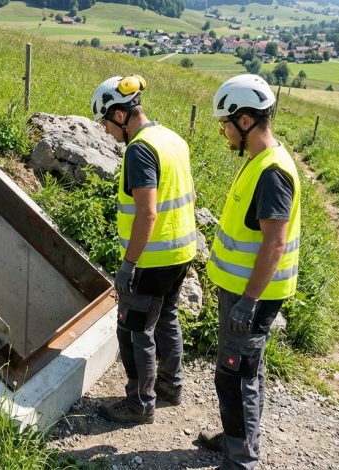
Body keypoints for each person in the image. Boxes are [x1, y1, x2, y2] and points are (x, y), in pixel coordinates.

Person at [198, 74, 301, 470]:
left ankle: (241, 459)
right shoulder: (261, 161)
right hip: (242, 291)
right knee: (242, 371)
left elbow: (274, 243)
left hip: (251, 298)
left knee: (235, 375)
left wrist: (249, 302)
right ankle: (235, 439)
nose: (222, 131)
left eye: (224, 123)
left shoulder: (272, 171)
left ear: (244, 121)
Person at [90, 75, 196, 424]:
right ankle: (170, 385)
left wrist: (128, 264)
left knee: (135, 329)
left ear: (120, 116)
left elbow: (147, 211)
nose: (106, 131)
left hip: (151, 259)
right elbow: (189, 198)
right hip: (181, 253)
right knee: (166, 318)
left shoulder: (139, 150)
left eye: (106, 122)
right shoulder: (172, 139)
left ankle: (140, 403)